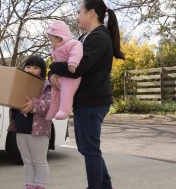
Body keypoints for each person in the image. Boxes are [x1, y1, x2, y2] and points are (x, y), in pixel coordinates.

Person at [48, 0, 125, 188]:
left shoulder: (99, 37)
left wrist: (52, 67)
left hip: (93, 101)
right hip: (86, 101)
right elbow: (67, 61)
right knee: (88, 149)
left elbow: (77, 67)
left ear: (91, 13)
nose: (76, 16)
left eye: (79, 11)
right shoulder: (86, 37)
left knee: (89, 150)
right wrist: (52, 75)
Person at [8, 55, 52, 189]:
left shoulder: (46, 85)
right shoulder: (18, 83)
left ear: (42, 70)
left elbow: (50, 104)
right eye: (28, 66)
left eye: (35, 67)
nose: (31, 70)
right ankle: (29, 186)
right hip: (20, 128)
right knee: (27, 161)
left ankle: (40, 186)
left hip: (38, 131)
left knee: (39, 161)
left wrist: (34, 104)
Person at [45, 20, 83, 120]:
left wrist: (72, 63)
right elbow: (54, 64)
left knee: (66, 92)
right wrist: (52, 73)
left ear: (58, 37)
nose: (50, 42)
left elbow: (76, 51)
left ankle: (64, 110)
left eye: (51, 40)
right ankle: (53, 109)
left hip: (70, 78)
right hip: (59, 76)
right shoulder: (55, 49)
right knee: (55, 92)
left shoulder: (72, 43)